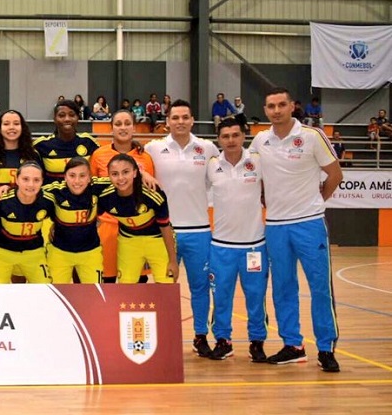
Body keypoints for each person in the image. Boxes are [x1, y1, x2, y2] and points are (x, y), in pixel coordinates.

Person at [250, 87, 343, 372]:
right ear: (265, 110)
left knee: (320, 288)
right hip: (276, 227)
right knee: (282, 288)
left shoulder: (312, 136)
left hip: (309, 224)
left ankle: (325, 348)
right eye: (270, 106)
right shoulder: (260, 140)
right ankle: (293, 345)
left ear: (292, 106)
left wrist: (315, 202)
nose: (276, 110)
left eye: (281, 104)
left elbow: (335, 174)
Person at [145, 99, 219, 357]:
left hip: (199, 230)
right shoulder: (153, 148)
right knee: (165, 288)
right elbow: (136, 171)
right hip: (165, 231)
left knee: (200, 287)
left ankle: (201, 336)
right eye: (175, 117)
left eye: (185, 117)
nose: (180, 122)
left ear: (192, 120)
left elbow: (218, 182)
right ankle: (164, 339)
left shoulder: (207, 148)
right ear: (167, 121)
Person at [206, 119, 268, 362]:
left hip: (254, 245)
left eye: (235, 135)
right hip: (221, 246)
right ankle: (223, 340)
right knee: (221, 297)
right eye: (225, 136)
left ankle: (257, 342)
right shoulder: (211, 166)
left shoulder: (258, 162)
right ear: (219, 139)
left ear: (244, 136)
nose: (230, 140)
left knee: (256, 297)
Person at [90, 109, 156, 283]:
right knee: (107, 282)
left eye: (127, 123)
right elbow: (92, 191)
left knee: (137, 284)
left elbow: (149, 195)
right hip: (108, 226)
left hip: (137, 229)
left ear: (134, 127)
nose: (123, 127)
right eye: (118, 124)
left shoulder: (145, 157)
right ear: (111, 128)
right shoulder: (98, 155)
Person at [97, 154, 179, 283]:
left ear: (135, 173)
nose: (121, 178)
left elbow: (165, 227)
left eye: (126, 172)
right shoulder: (105, 196)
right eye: (114, 174)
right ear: (109, 176)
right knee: (126, 287)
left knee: (166, 286)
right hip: (128, 242)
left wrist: (173, 261)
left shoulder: (152, 193)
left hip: (158, 241)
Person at [43, 157, 111, 284]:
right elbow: (29, 190)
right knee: (56, 294)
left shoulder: (97, 186)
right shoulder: (55, 190)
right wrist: (7, 189)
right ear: (65, 177)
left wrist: (144, 175)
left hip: (90, 252)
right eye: (72, 175)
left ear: (90, 177)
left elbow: (123, 179)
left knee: (95, 294)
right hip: (59, 253)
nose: (77, 181)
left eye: (82, 176)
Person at [0, 162, 53, 284]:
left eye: (36, 180)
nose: (31, 184)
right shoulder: (2, 201)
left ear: (42, 182)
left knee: (46, 289)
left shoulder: (48, 201)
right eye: (25, 179)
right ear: (16, 180)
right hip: (2, 253)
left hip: (34, 253)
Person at [34, 100, 100, 182]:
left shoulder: (89, 142)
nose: (67, 119)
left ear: (77, 118)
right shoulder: (41, 145)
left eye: (72, 115)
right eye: (61, 115)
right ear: (55, 119)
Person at [0, 110, 40, 189]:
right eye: (6, 124)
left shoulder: (33, 155)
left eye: (16, 124)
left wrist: (10, 190)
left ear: (22, 127)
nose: (11, 127)